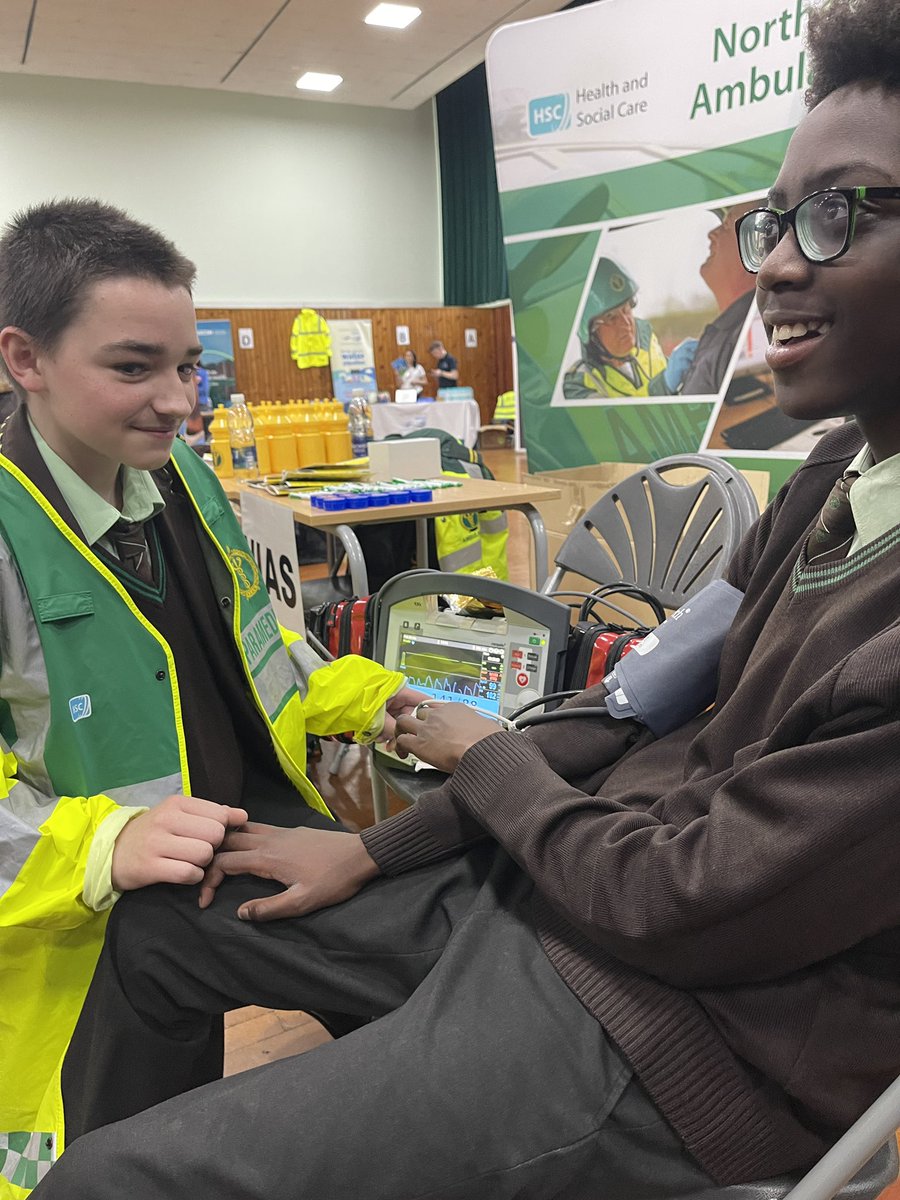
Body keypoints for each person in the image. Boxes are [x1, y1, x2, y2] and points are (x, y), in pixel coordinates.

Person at [30, 1, 900, 1194]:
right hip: (565, 901)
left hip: (678, 1030)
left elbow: (678, 898)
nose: (782, 261)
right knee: (162, 927)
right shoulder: (825, 483)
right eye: (773, 221)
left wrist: (485, 757)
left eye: (839, 213)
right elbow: (633, 706)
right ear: (25, 360)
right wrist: (376, 850)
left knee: (107, 1184)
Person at [0, 198, 423, 1196]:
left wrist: (373, 698)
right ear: (25, 358)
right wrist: (101, 847)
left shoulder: (182, 477)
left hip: (234, 845)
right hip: (81, 933)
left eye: (188, 367)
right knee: (113, 1156)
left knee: (422, 1004)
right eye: (134, 368)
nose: (177, 401)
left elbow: (256, 648)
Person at [562, 256, 695, 399]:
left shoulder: (647, 341)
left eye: (626, 309)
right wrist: (663, 386)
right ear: (589, 331)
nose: (626, 323)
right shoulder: (579, 384)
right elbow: (620, 419)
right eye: (611, 317)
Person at [678, 200, 761, 395]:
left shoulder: (748, 337)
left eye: (726, 225)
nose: (711, 234)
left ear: (757, 249)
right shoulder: (724, 332)